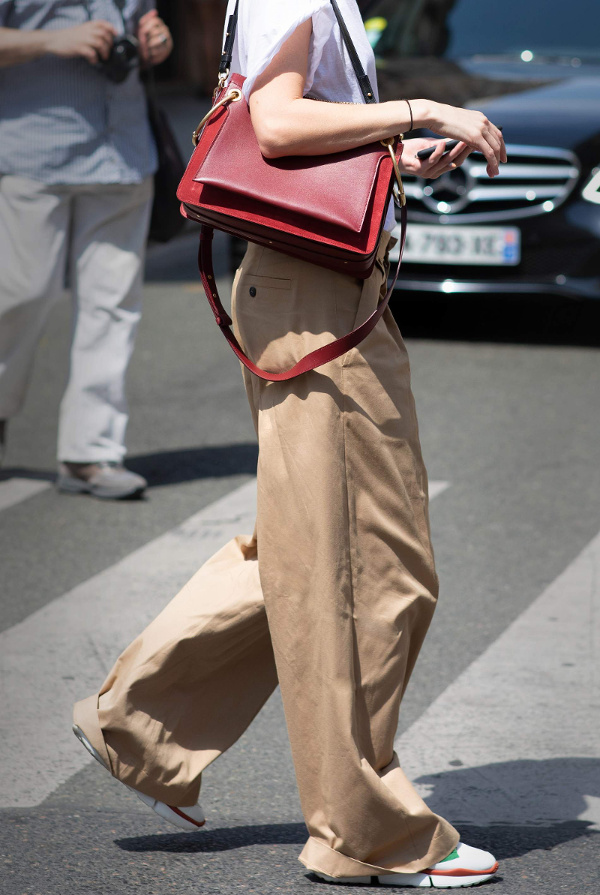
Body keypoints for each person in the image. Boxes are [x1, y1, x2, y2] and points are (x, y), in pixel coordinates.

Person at [73, 0, 507, 885]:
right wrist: (421, 111)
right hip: (314, 295)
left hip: (327, 288)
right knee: (374, 569)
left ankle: (141, 716)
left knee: (320, 550)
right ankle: (364, 830)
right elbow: (274, 121)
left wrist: (389, 156)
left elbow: (301, 120)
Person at [0, 0, 173, 498]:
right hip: (32, 150)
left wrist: (156, 38)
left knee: (113, 306)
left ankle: (90, 453)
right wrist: (51, 39)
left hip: (124, 152)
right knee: (21, 295)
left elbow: (147, 22)